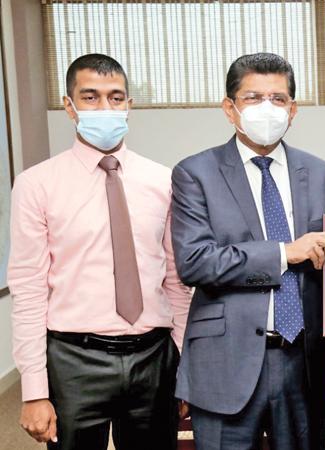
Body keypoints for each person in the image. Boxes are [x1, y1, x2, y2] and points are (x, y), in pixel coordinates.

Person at [8, 53, 191, 450]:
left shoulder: (164, 181)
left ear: (129, 106)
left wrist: (184, 365)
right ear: (69, 106)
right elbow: (28, 289)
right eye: (90, 97)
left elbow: (175, 280)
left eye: (115, 97)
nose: (105, 107)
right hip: (74, 360)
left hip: (153, 357)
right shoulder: (36, 185)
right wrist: (34, 391)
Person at [170, 52, 325, 450]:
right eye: (253, 98)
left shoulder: (323, 175)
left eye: (278, 99)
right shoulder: (195, 173)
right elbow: (196, 262)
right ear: (229, 108)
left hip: (303, 362)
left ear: (293, 109)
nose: (268, 108)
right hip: (225, 361)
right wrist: (285, 253)